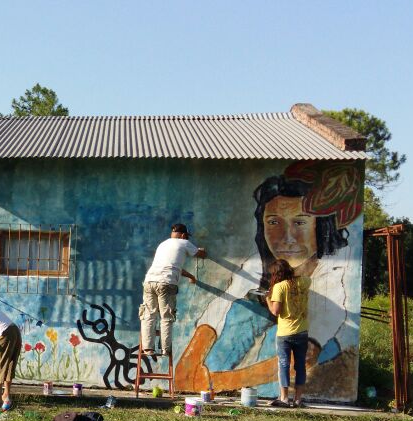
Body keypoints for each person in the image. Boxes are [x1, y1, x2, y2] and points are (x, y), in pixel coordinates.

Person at [176, 161, 361, 398]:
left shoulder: (338, 266)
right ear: (262, 225)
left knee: (292, 350)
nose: (287, 237)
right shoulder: (261, 259)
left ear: (319, 225)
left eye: (300, 222)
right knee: (240, 312)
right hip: (285, 331)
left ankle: (255, 392)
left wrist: (215, 381)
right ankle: (209, 381)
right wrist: (190, 360)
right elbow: (222, 304)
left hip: (308, 341)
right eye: (273, 222)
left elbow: (307, 355)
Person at [140, 223, 207, 356]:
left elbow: (173, 267)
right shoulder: (184, 242)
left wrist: (191, 276)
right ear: (183, 235)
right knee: (166, 317)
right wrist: (201, 250)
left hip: (149, 281)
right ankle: (165, 349)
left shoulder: (163, 245)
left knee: (149, 314)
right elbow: (201, 254)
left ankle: (148, 348)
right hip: (167, 284)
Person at [267, 259, 310, 407]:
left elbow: (275, 311)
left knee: (284, 364)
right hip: (302, 331)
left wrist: (268, 298)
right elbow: (306, 277)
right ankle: (297, 399)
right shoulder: (304, 282)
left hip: (285, 333)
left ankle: (284, 398)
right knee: (300, 366)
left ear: (276, 274)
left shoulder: (279, 287)